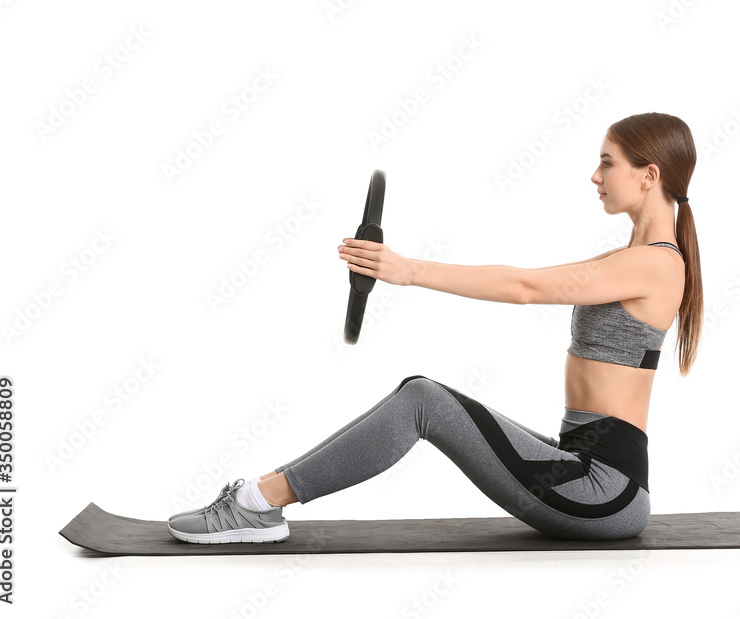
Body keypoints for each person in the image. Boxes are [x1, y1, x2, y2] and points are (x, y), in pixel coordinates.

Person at [167, 112, 703, 544]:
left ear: (648, 174)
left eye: (606, 163)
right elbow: (528, 279)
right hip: (583, 467)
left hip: (602, 491)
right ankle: (258, 500)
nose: (595, 176)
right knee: (418, 394)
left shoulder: (657, 264)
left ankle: (258, 503)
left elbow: (526, 287)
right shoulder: (632, 258)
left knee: (425, 400)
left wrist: (409, 271)